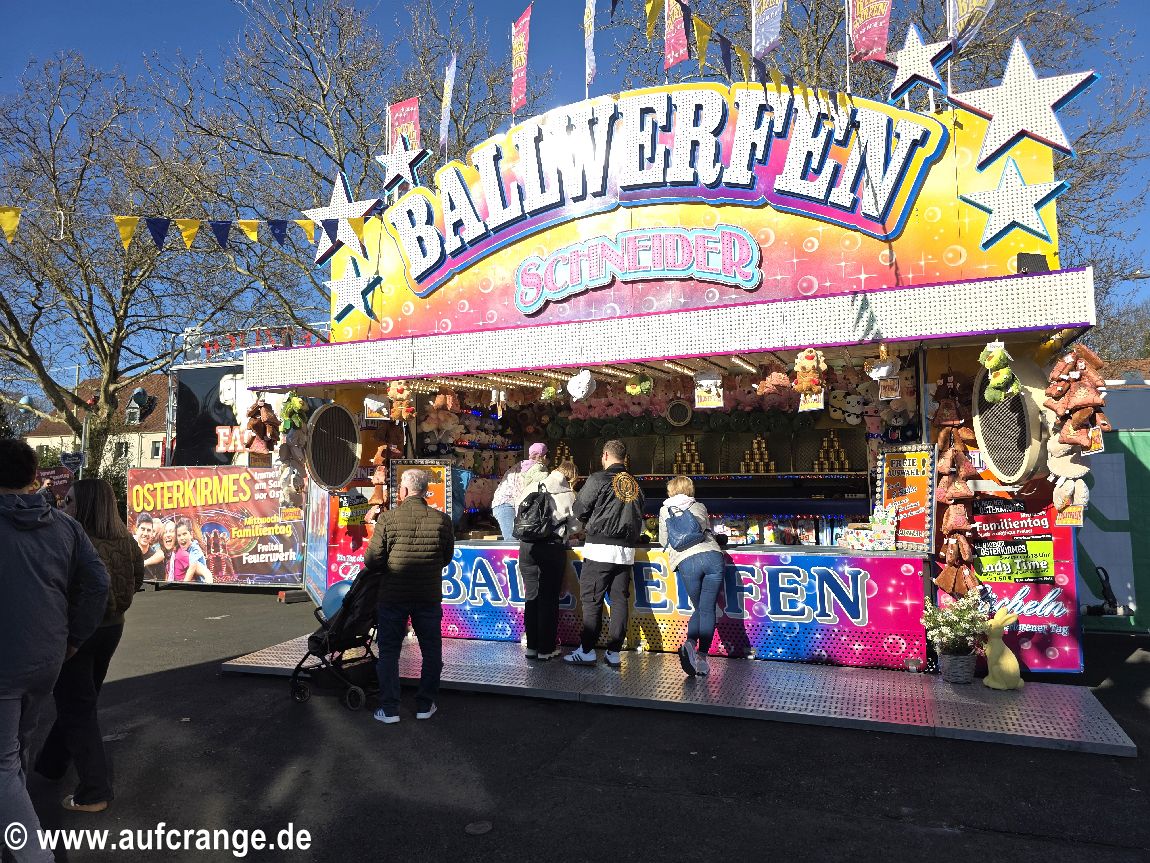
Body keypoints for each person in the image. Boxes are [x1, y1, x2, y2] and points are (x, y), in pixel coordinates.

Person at [0, 439, 107, 859]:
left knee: (3, 763)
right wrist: (74, 637)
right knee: (17, 746)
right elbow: (98, 583)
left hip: (7, 660)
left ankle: (33, 853)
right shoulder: (64, 526)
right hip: (47, 657)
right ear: (33, 476)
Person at [36, 479, 145, 812]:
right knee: (80, 700)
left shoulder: (73, 540)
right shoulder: (127, 541)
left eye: (69, 501)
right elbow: (137, 580)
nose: (62, 506)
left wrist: (70, 635)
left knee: (77, 707)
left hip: (79, 632)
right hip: (113, 628)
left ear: (85, 505)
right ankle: (52, 764)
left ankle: (94, 792)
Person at [365, 469, 454, 724]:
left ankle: (390, 709)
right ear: (425, 491)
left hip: (393, 594)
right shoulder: (442, 520)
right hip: (427, 594)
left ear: (403, 491)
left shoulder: (388, 518)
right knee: (431, 650)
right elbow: (446, 557)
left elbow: (372, 560)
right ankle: (425, 704)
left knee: (389, 651)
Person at [564, 440, 645, 668]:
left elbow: (579, 509)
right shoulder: (635, 484)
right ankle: (614, 652)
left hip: (600, 548)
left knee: (592, 600)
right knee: (620, 600)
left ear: (606, 455)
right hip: (626, 551)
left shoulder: (599, 478)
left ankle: (587, 650)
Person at [658, 476, 724, 676]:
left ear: (671, 490)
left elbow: (663, 540)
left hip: (687, 561)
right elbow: (704, 530)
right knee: (707, 609)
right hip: (712, 557)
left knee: (699, 609)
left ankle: (689, 643)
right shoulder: (699, 506)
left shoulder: (664, 510)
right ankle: (701, 659)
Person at [520, 459, 580, 662]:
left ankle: (532, 647)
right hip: (551, 548)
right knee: (548, 599)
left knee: (532, 597)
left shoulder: (532, 485)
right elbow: (576, 527)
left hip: (526, 547)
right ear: (571, 477)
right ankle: (546, 649)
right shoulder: (568, 494)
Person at [170, 518, 213, 583]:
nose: (182, 538)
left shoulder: (194, 548)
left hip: (202, 582)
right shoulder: (180, 550)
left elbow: (192, 568)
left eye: (184, 534)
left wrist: (184, 584)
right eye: (179, 535)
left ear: (191, 535)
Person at [490, 464, 526, 540]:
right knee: (511, 539)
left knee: (516, 538)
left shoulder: (523, 466)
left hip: (507, 503)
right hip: (505, 503)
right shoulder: (526, 471)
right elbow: (519, 495)